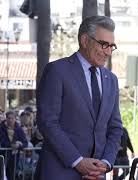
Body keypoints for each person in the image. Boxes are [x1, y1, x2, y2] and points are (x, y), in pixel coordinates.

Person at [35, 16, 123, 180]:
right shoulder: (57, 71)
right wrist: (78, 161)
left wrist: (105, 163)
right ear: (85, 40)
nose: (108, 52)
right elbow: (47, 122)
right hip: (59, 173)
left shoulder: (111, 80)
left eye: (112, 46)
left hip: (97, 175)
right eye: (104, 44)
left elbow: (115, 128)